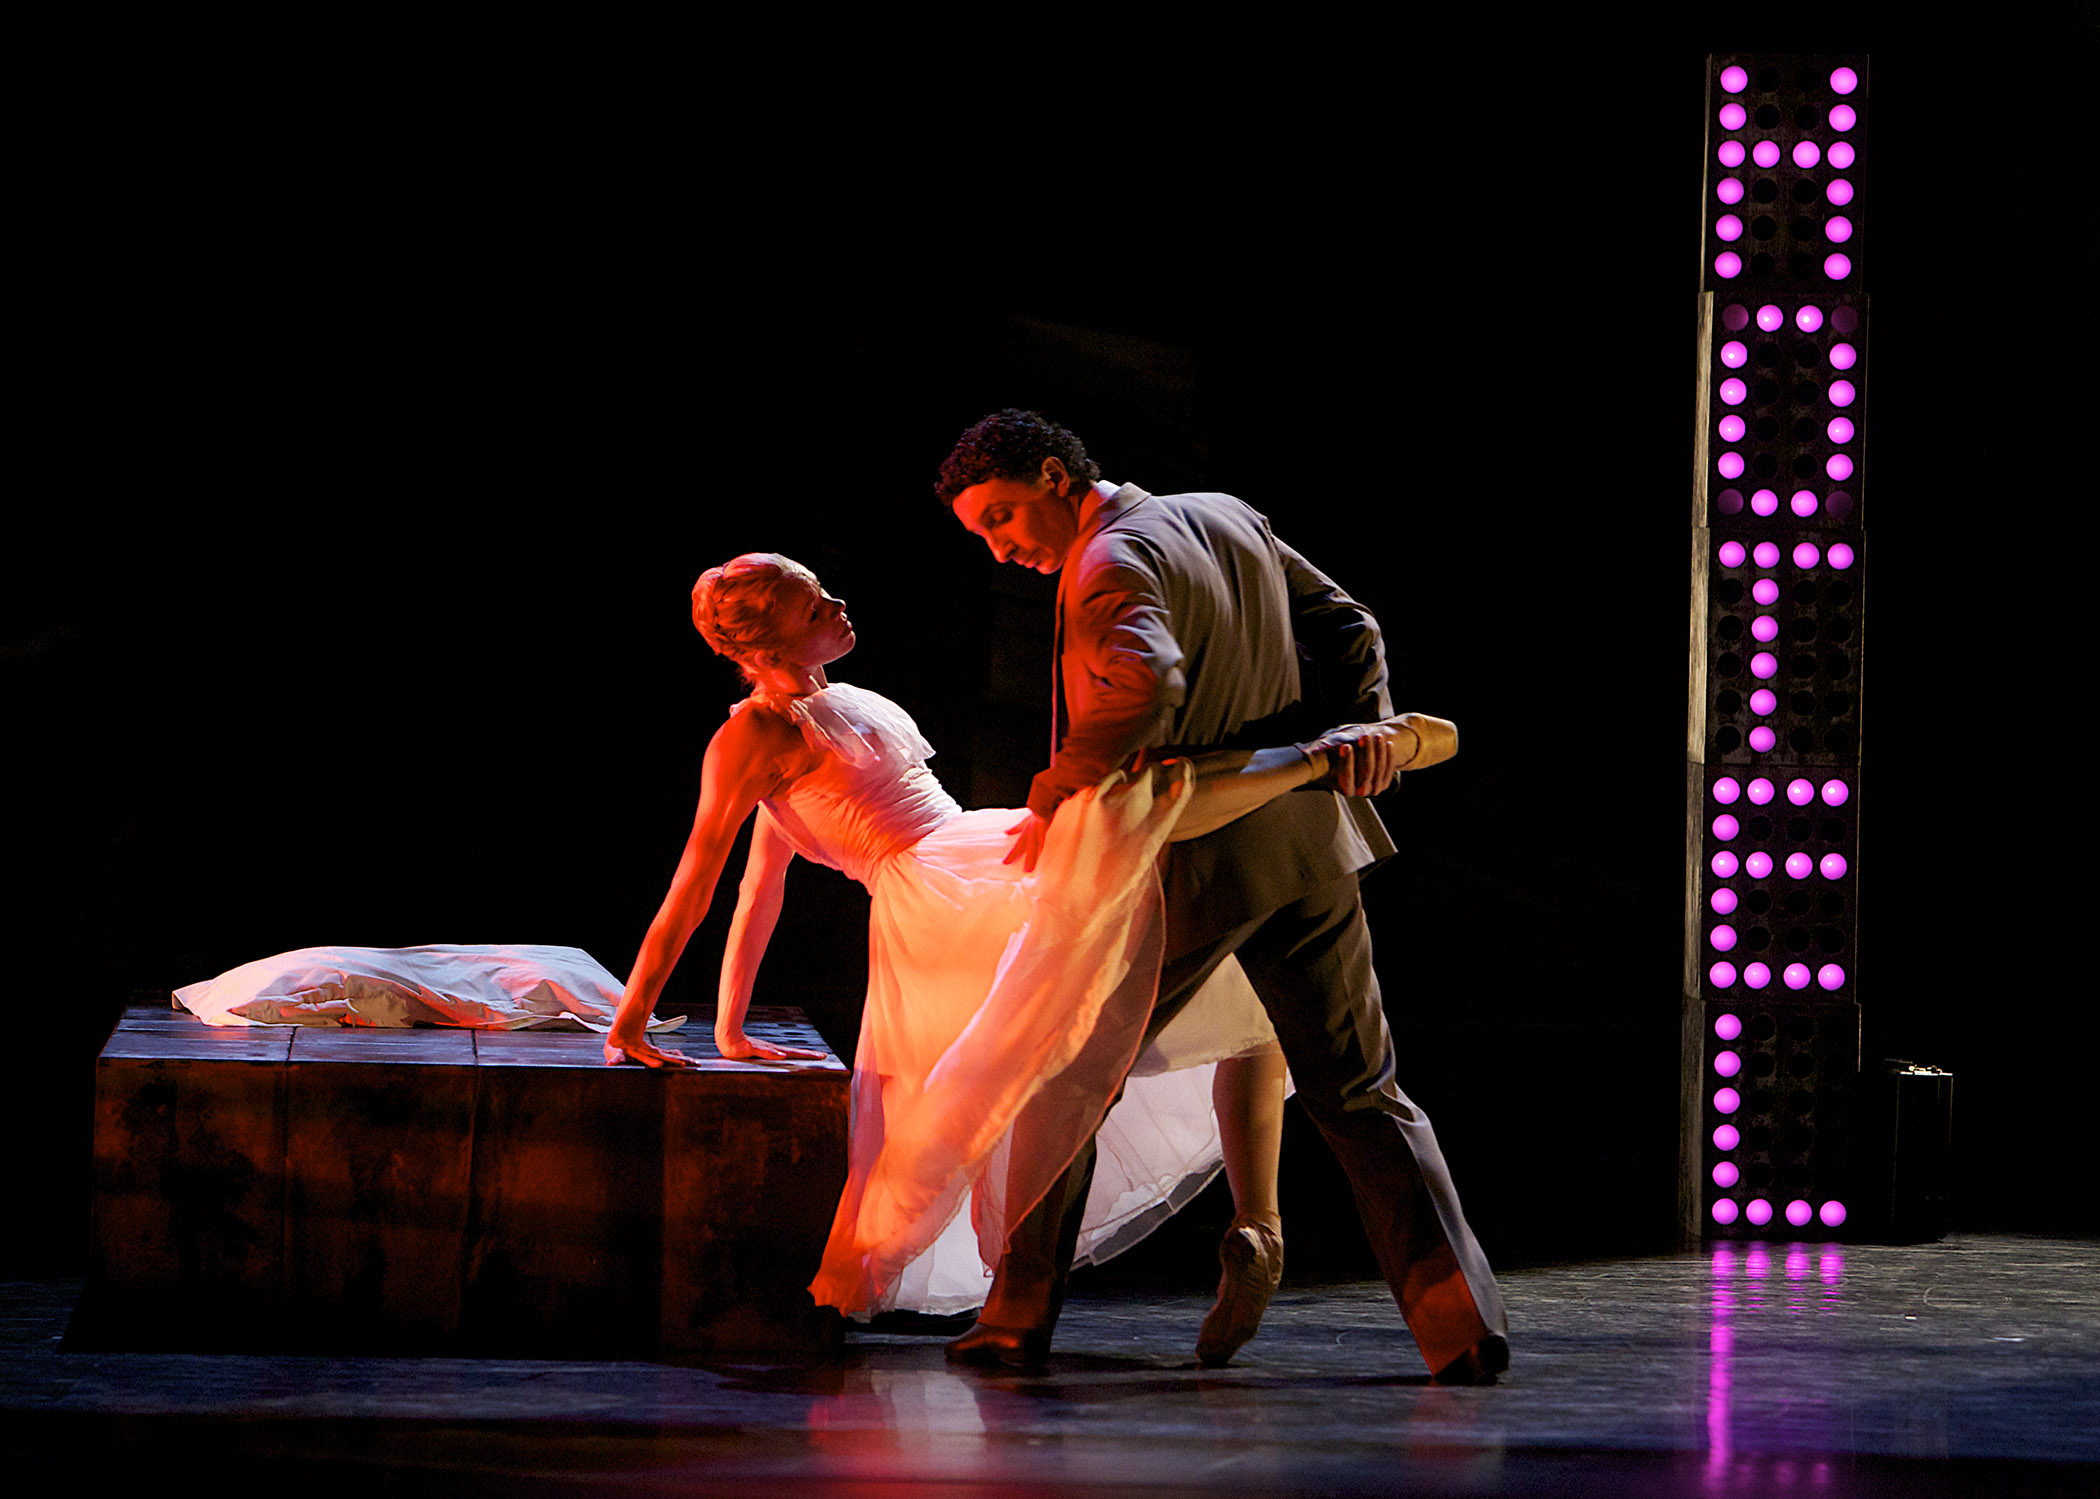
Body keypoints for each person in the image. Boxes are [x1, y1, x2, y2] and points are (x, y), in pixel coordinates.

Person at [601, 552, 1447, 1352]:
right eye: (816, 608)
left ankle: (1244, 1223)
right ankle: (1159, 1241)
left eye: (828, 593)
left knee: (1170, 1000)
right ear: (770, 644)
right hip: (935, 899)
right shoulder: (751, 735)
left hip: (977, 848)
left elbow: (762, 881)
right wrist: (641, 1016)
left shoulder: (847, 697)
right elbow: (723, 882)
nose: (840, 607)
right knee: (1025, 1065)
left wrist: (731, 1025)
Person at [936, 409, 1510, 1384]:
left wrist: (1060, 786)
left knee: (1063, 1080)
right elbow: (1351, 621)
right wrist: (1362, 733)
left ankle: (1015, 1314)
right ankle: (1460, 1319)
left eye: (1002, 517)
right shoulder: (1224, 514)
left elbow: (1144, 687)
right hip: (1304, 849)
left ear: (1052, 474)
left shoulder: (1109, 562)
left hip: (1185, 869)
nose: (1001, 548)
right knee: (1362, 1090)